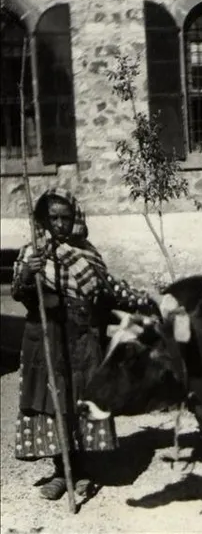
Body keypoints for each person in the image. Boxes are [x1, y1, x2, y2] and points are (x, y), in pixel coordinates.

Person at [11, 187, 156, 500]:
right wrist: (28, 275)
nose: (60, 224)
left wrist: (145, 302)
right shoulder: (32, 253)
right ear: (43, 219)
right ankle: (61, 472)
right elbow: (19, 294)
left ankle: (83, 469)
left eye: (65, 217)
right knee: (53, 402)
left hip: (81, 339)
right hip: (46, 338)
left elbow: (107, 291)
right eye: (53, 218)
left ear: (75, 218)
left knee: (80, 400)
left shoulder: (86, 253)